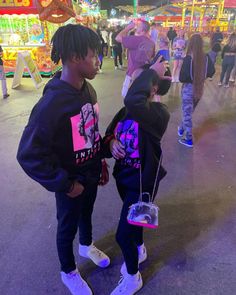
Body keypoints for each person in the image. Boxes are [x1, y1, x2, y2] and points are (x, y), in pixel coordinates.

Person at [16, 24, 110, 295]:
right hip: (70, 182)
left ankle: (86, 245)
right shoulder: (51, 104)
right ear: (74, 58)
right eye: (93, 55)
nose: (98, 61)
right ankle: (68, 270)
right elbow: (28, 154)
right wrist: (65, 184)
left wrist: (100, 158)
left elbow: (90, 131)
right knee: (67, 225)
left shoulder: (88, 90)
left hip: (90, 173)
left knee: (87, 214)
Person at [103, 57, 171, 295]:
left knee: (123, 235)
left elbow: (133, 98)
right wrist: (110, 143)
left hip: (142, 183)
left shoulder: (159, 113)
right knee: (134, 226)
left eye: (139, 79)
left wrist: (152, 72)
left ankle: (133, 278)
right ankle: (140, 248)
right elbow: (106, 137)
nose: (132, 82)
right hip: (124, 179)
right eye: (133, 78)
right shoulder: (126, 111)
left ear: (152, 87)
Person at [178, 34, 215, 148]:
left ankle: (188, 139)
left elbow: (182, 78)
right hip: (200, 88)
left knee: (187, 112)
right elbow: (211, 72)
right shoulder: (207, 58)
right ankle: (181, 128)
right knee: (189, 111)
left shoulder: (189, 58)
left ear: (191, 44)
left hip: (188, 88)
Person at [115, 20, 155, 98]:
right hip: (145, 75)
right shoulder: (152, 43)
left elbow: (118, 38)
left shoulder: (136, 39)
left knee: (126, 95)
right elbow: (152, 56)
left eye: (138, 26)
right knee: (141, 98)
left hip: (133, 74)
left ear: (143, 30)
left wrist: (127, 28)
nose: (136, 27)